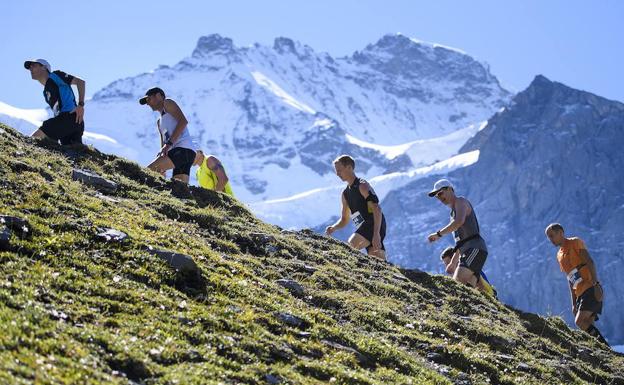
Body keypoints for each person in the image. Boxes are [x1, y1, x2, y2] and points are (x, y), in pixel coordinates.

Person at [545, 223, 608, 346]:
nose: (550, 239)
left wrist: (596, 284)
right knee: (588, 327)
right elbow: (570, 278)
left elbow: (589, 261)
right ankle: (601, 352)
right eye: (548, 237)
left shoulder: (575, 242)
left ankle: (605, 346)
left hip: (590, 287)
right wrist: (574, 303)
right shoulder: (559, 255)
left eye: (552, 235)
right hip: (579, 292)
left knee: (579, 321)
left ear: (561, 233)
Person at [427, 179, 488, 289]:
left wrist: (438, 234)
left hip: (474, 248)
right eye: (437, 196)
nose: (439, 198)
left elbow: (459, 222)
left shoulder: (460, 201)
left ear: (450, 189)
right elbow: (461, 242)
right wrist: (453, 262)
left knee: (457, 284)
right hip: (470, 250)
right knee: (470, 288)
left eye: (440, 193)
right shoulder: (452, 213)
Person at [325, 155, 387, 260]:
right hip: (363, 227)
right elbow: (344, 219)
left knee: (350, 247)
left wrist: (376, 234)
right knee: (378, 262)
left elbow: (377, 209)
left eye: (339, 170)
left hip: (373, 224)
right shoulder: (345, 194)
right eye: (336, 171)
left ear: (349, 167)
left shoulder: (362, 186)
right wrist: (334, 227)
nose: (337, 174)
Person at [139, 88, 196, 184]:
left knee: (148, 171)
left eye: (148, 99)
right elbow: (163, 144)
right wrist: (162, 156)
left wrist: (168, 144)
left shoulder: (167, 103)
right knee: (180, 188)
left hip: (182, 149)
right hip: (186, 153)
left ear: (158, 95)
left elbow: (183, 122)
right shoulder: (159, 122)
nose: (147, 103)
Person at [25, 59, 85, 145]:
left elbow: (81, 82)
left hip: (70, 117)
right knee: (72, 153)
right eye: (30, 67)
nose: (31, 69)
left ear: (44, 67)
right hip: (70, 123)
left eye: (34, 66)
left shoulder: (55, 75)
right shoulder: (46, 92)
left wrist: (80, 105)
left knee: (31, 141)